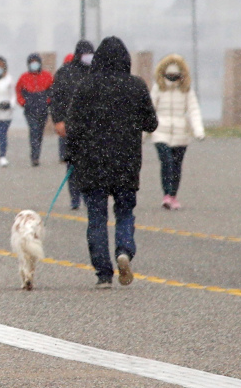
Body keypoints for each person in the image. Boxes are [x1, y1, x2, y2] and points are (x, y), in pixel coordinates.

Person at [66, 36, 158, 289]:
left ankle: (103, 274)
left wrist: (72, 156)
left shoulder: (85, 87)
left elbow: (73, 129)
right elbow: (152, 123)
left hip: (92, 164)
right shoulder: (136, 86)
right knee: (125, 212)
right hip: (126, 163)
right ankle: (124, 251)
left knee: (96, 218)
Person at [150, 54, 205, 210]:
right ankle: (166, 194)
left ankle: (173, 195)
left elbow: (193, 110)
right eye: (170, 75)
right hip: (161, 132)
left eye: (176, 75)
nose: (172, 78)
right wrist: (141, 133)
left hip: (181, 133)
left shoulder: (186, 90)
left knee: (176, 165)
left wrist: (198, 130)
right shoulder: (158, 88)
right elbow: (149, 111)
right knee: (166, 162)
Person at [49, 41, 95, 208]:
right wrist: (58, 121)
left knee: (91, 164)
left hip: (93, 125)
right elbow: (56, 99)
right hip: (71, 124)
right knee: (73, 163)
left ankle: (89, 197)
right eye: (85, 53)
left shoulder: (97, 72)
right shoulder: (64, 73)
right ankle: (75, 198)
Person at [16, 53, 54, 166]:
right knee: (34, 130)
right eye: (31, 62)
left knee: (39, 133)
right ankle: (34, 156)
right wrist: (23, 102)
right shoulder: (23, 77)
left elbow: (52, 90)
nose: (34, 64)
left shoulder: (47, 76)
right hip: (30, 110)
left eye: (35, 62)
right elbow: (18, 91)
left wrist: (47, 101)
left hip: (43, 109)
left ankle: (37, 153)